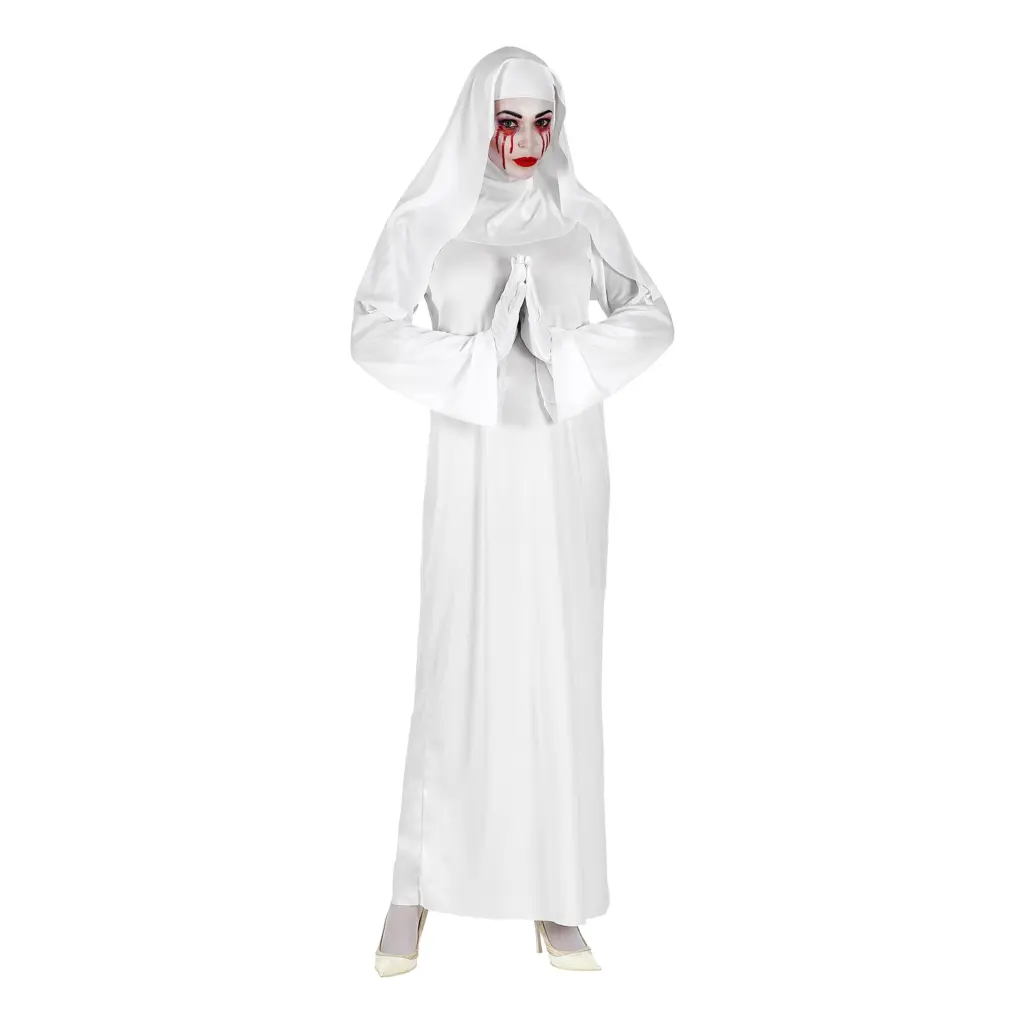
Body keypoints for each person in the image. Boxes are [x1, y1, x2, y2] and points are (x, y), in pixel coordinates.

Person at [351, 46, 674, 975]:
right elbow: (370, 329)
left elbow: (653, 316)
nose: (525, 140)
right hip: (473, 466)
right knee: (459, 659)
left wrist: (565, 353)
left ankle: (557, 895)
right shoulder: (432, 220)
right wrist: (477, 358)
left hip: (565, 470)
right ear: (476, 121)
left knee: (557, 670)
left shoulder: (581, 217)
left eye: (541, 120)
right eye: (507, 120)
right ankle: (415, 885)